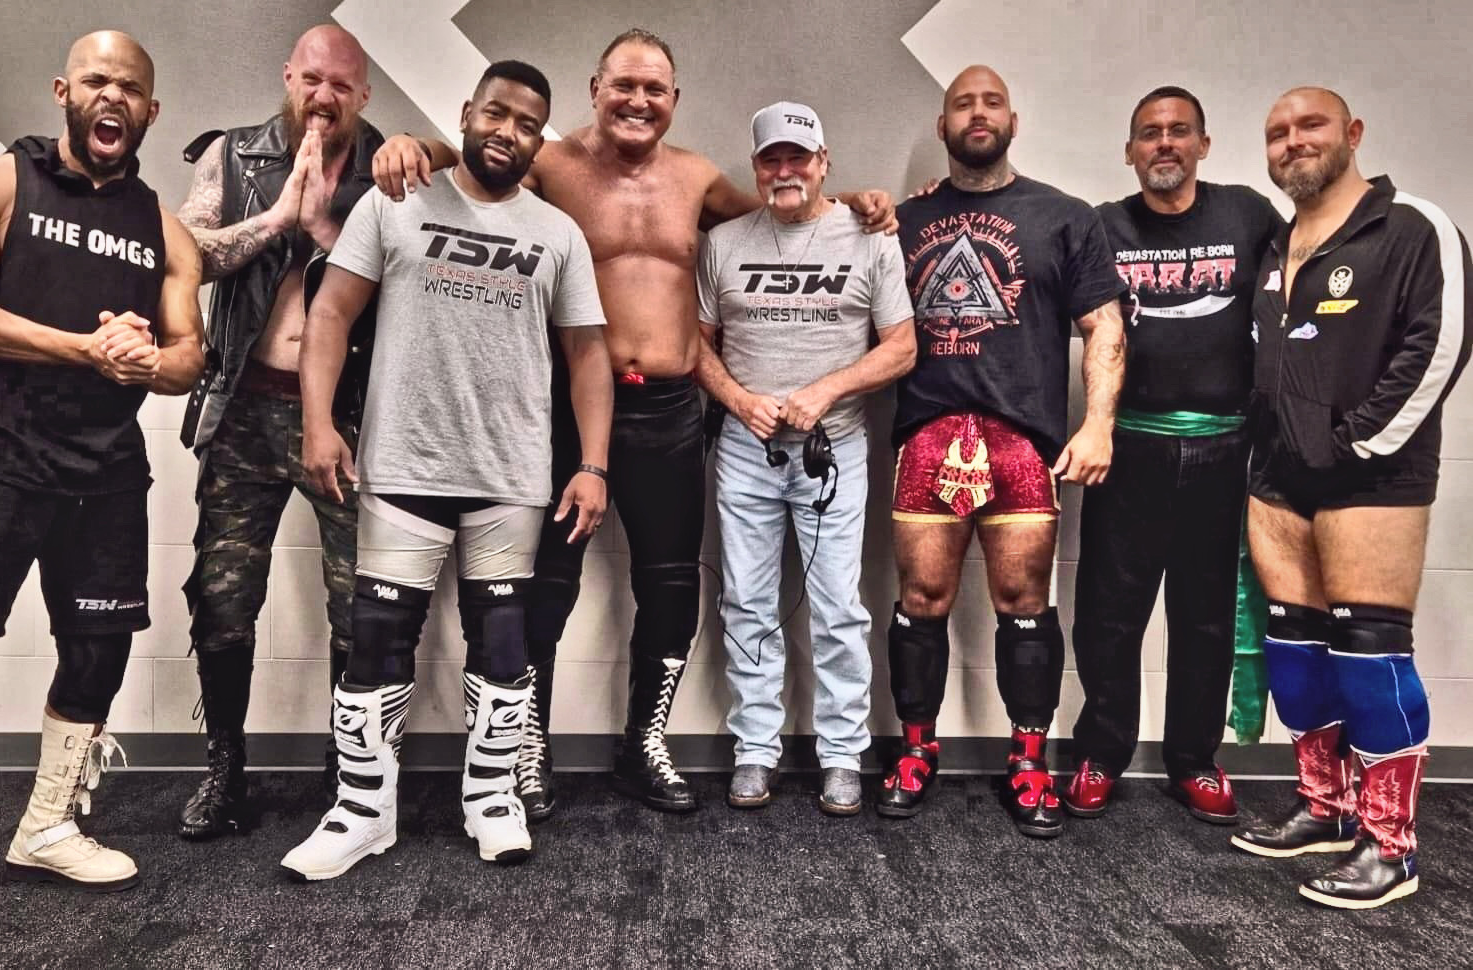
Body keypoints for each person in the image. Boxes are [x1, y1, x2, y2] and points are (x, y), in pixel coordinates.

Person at [370, 29, 894, 817]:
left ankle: (641, 746)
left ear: (674, 101)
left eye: (655, 89)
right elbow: (479, 156)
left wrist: (857, 204)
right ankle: (526, 748)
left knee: (671, 588)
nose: (638, 100)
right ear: (595, 89)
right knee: (544, 587)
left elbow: (784, 213)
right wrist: (416, 146)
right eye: (624, 85)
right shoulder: (551, 166)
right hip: (569, 406)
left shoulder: (698, 179)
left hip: (673, 413)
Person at [0, 31, 203, 960]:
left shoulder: (163, 226)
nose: (113, 97)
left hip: (104, 474)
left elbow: (189, 353)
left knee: (98, 652)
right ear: (66, 91)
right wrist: (82, 347)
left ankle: (47, 827)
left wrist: (152, 360)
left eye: (131, 88)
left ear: (150, 112)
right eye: (97, 80)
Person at [279, 60, 611, 879]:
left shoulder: (557, 232)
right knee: (378, 640)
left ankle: (492, 796)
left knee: (503, 641)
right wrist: (318, 425)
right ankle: (362, 811)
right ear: (467, 112)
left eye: (528, 123)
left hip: (511, 475)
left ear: (541, 138)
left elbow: (588, 354)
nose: (508, 132)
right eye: (496, 113)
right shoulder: (395, 204)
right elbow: (330, 314)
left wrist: (594, 464)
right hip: (403, 463)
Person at [1229, 87, 1470, 909]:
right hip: (1277, 475)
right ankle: (1325, 809)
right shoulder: (1279, 242)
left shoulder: (1412, 227)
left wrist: (1356, 443)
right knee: (1295, 650)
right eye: (1277, 133)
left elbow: (1439, 346)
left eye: (1310, 126)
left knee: (1369, 651)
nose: (1293, 141)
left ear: (1353, 133)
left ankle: (1390, 845)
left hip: (1372, 476)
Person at [882, 65, 1126, 838]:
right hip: (927, 434)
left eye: (991, 102)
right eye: (963, 104)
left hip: (1024, 441)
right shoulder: (904, 221)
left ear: (1012, 119)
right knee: (920, 603)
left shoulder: (1066, 217)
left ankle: (1029, 762)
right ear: (943, 123)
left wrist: (1099, 426)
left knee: (1026, 604)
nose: (977, 114)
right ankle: (916, 753)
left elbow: (1106, 328)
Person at [173, 25, 394, 840]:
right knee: (224, 602)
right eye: (311, 80)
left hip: (347, 418)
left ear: (363, 93)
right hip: (241, 418)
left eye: (341, 85)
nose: (323, 97)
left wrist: (335, 229)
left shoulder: (388, 174)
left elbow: (410, 288)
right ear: (289, 78)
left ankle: (349, 771)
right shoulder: (232, 155)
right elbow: (187, 255)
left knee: (357, 604)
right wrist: (277, 218)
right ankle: (226, 771)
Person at [1065, 87, 1283, 825]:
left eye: (1178, 131)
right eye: (1149, 134)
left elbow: (1304, 278)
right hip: (1130, 448)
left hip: (1224, 450)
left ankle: (1194, 760)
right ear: (1129, 151)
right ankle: (1100, 754)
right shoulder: (1102, 226)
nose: (1164, 143)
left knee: (1205, 616)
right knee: (1109, 614)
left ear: (1203, 144)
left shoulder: (1247, 216)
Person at [695, 102, 915, 815]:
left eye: (799, 157)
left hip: (835, 450)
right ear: (757, 168)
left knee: (837, 609)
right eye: (770, 159)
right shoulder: (723, 242)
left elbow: (902, 346)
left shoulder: (870, 236)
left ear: (825, 162)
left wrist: (825, 390)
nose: (784, 171)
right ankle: (756, 750)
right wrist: (736, 398)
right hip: (746, 450)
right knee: (748, 605)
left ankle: (843, 754)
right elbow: (695, 343)